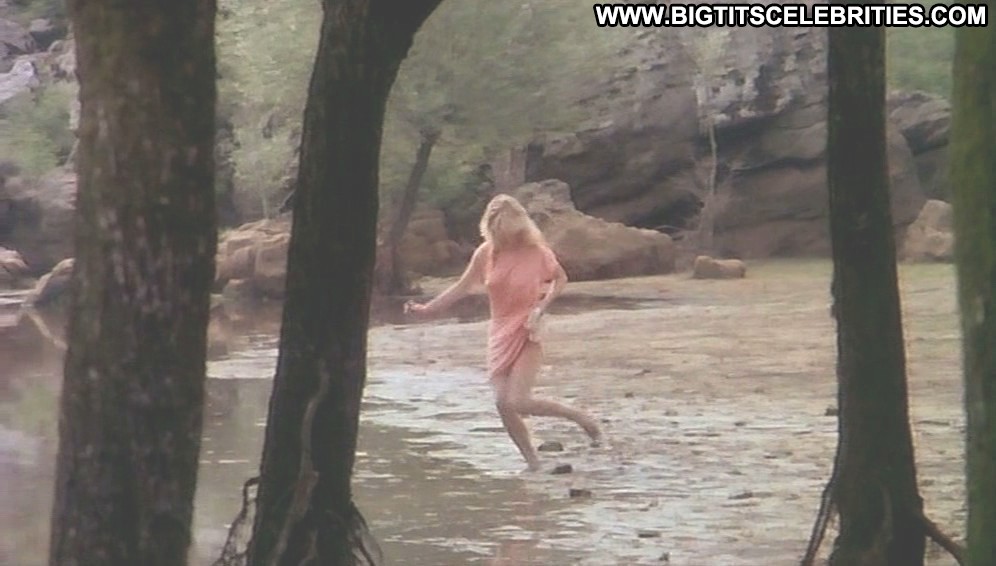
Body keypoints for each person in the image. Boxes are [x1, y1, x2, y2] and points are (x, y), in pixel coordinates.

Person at [405, 194, 601, 471]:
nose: (508, 237)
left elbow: (560, 278)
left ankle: (581, 418)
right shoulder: (486, 253)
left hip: (527, 327)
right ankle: (533, 462)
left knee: (519, 401)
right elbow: (462, 287)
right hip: (499, 330)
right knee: (501, 403)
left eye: (513, 230)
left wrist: (542, 306)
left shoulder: (536, 251)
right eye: (501, 230)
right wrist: (428, 309)